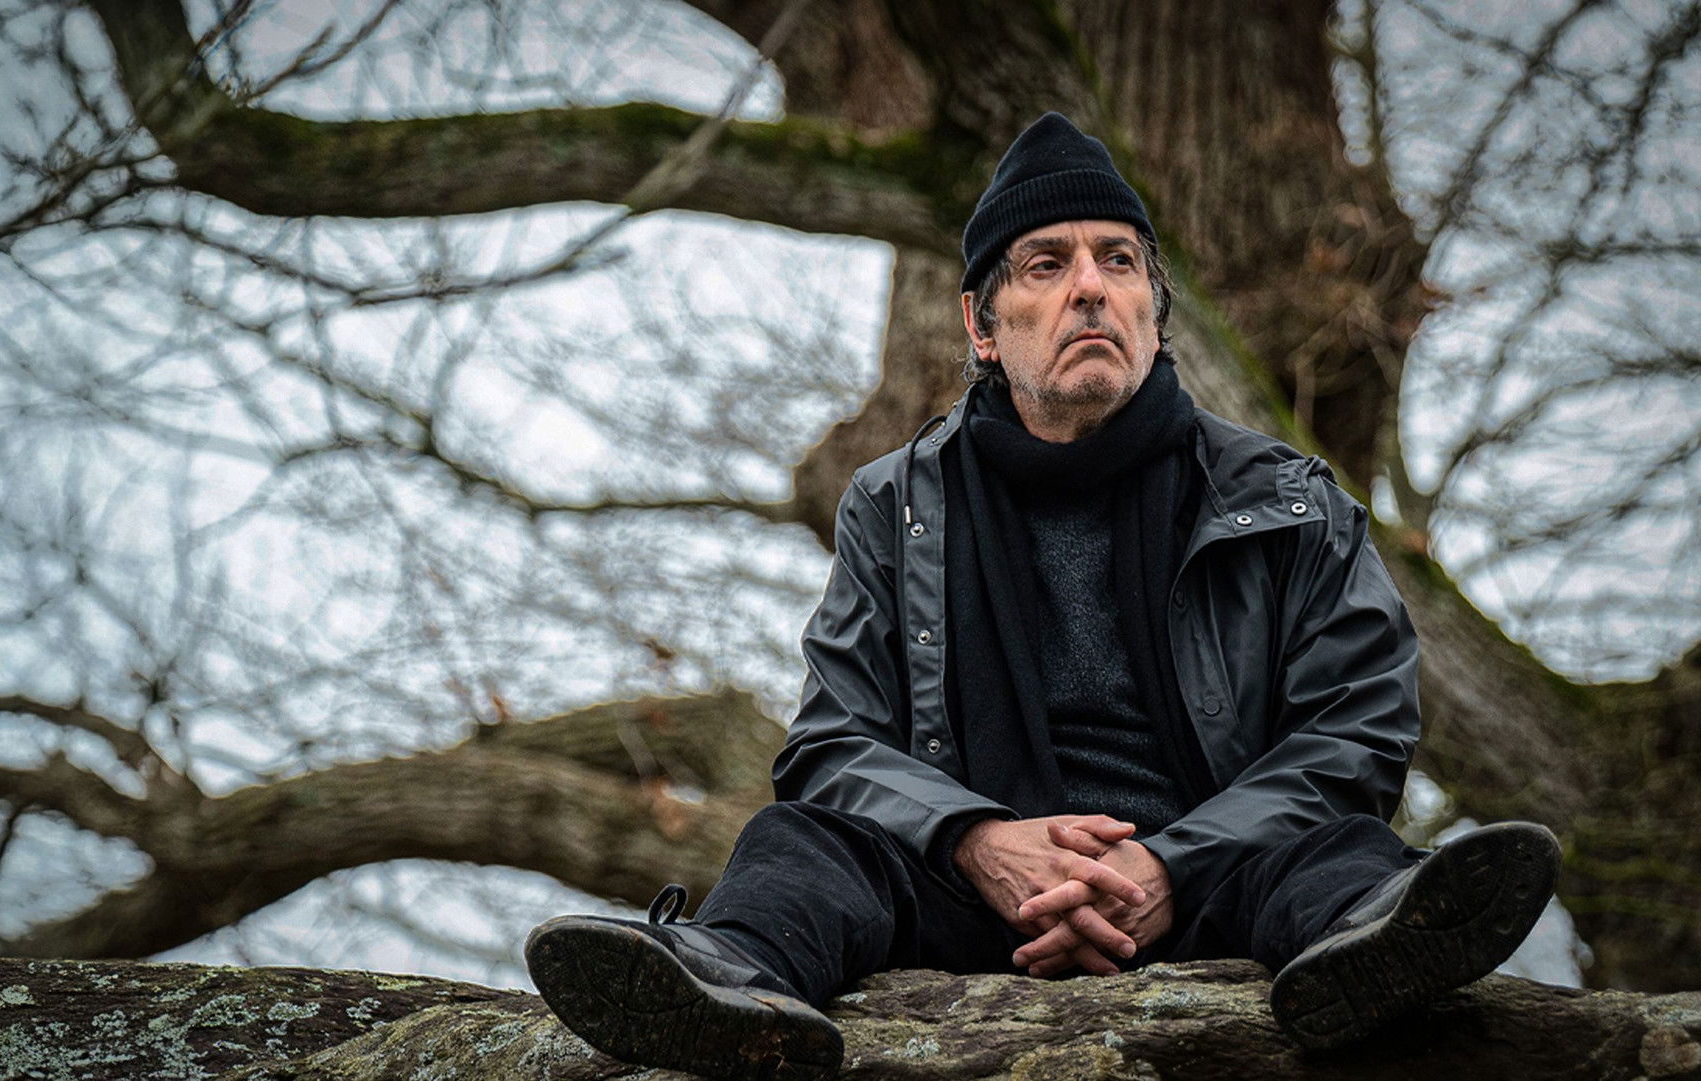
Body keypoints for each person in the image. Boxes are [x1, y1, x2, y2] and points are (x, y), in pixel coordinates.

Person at [525, 112, 1559, 1081]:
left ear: (1155, 310)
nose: (1091, 288)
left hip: (1223, 879)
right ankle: (732, 980)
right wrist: (977, 840)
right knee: (800, 845)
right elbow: (832, 746)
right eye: (1047, 264)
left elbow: (1357, 732)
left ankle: (1378, 948)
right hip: (969, 897)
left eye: (1119, 260)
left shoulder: (1287, 499)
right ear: (983, 324)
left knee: (1341, 856)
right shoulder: (894, 503)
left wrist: (1169, 866)